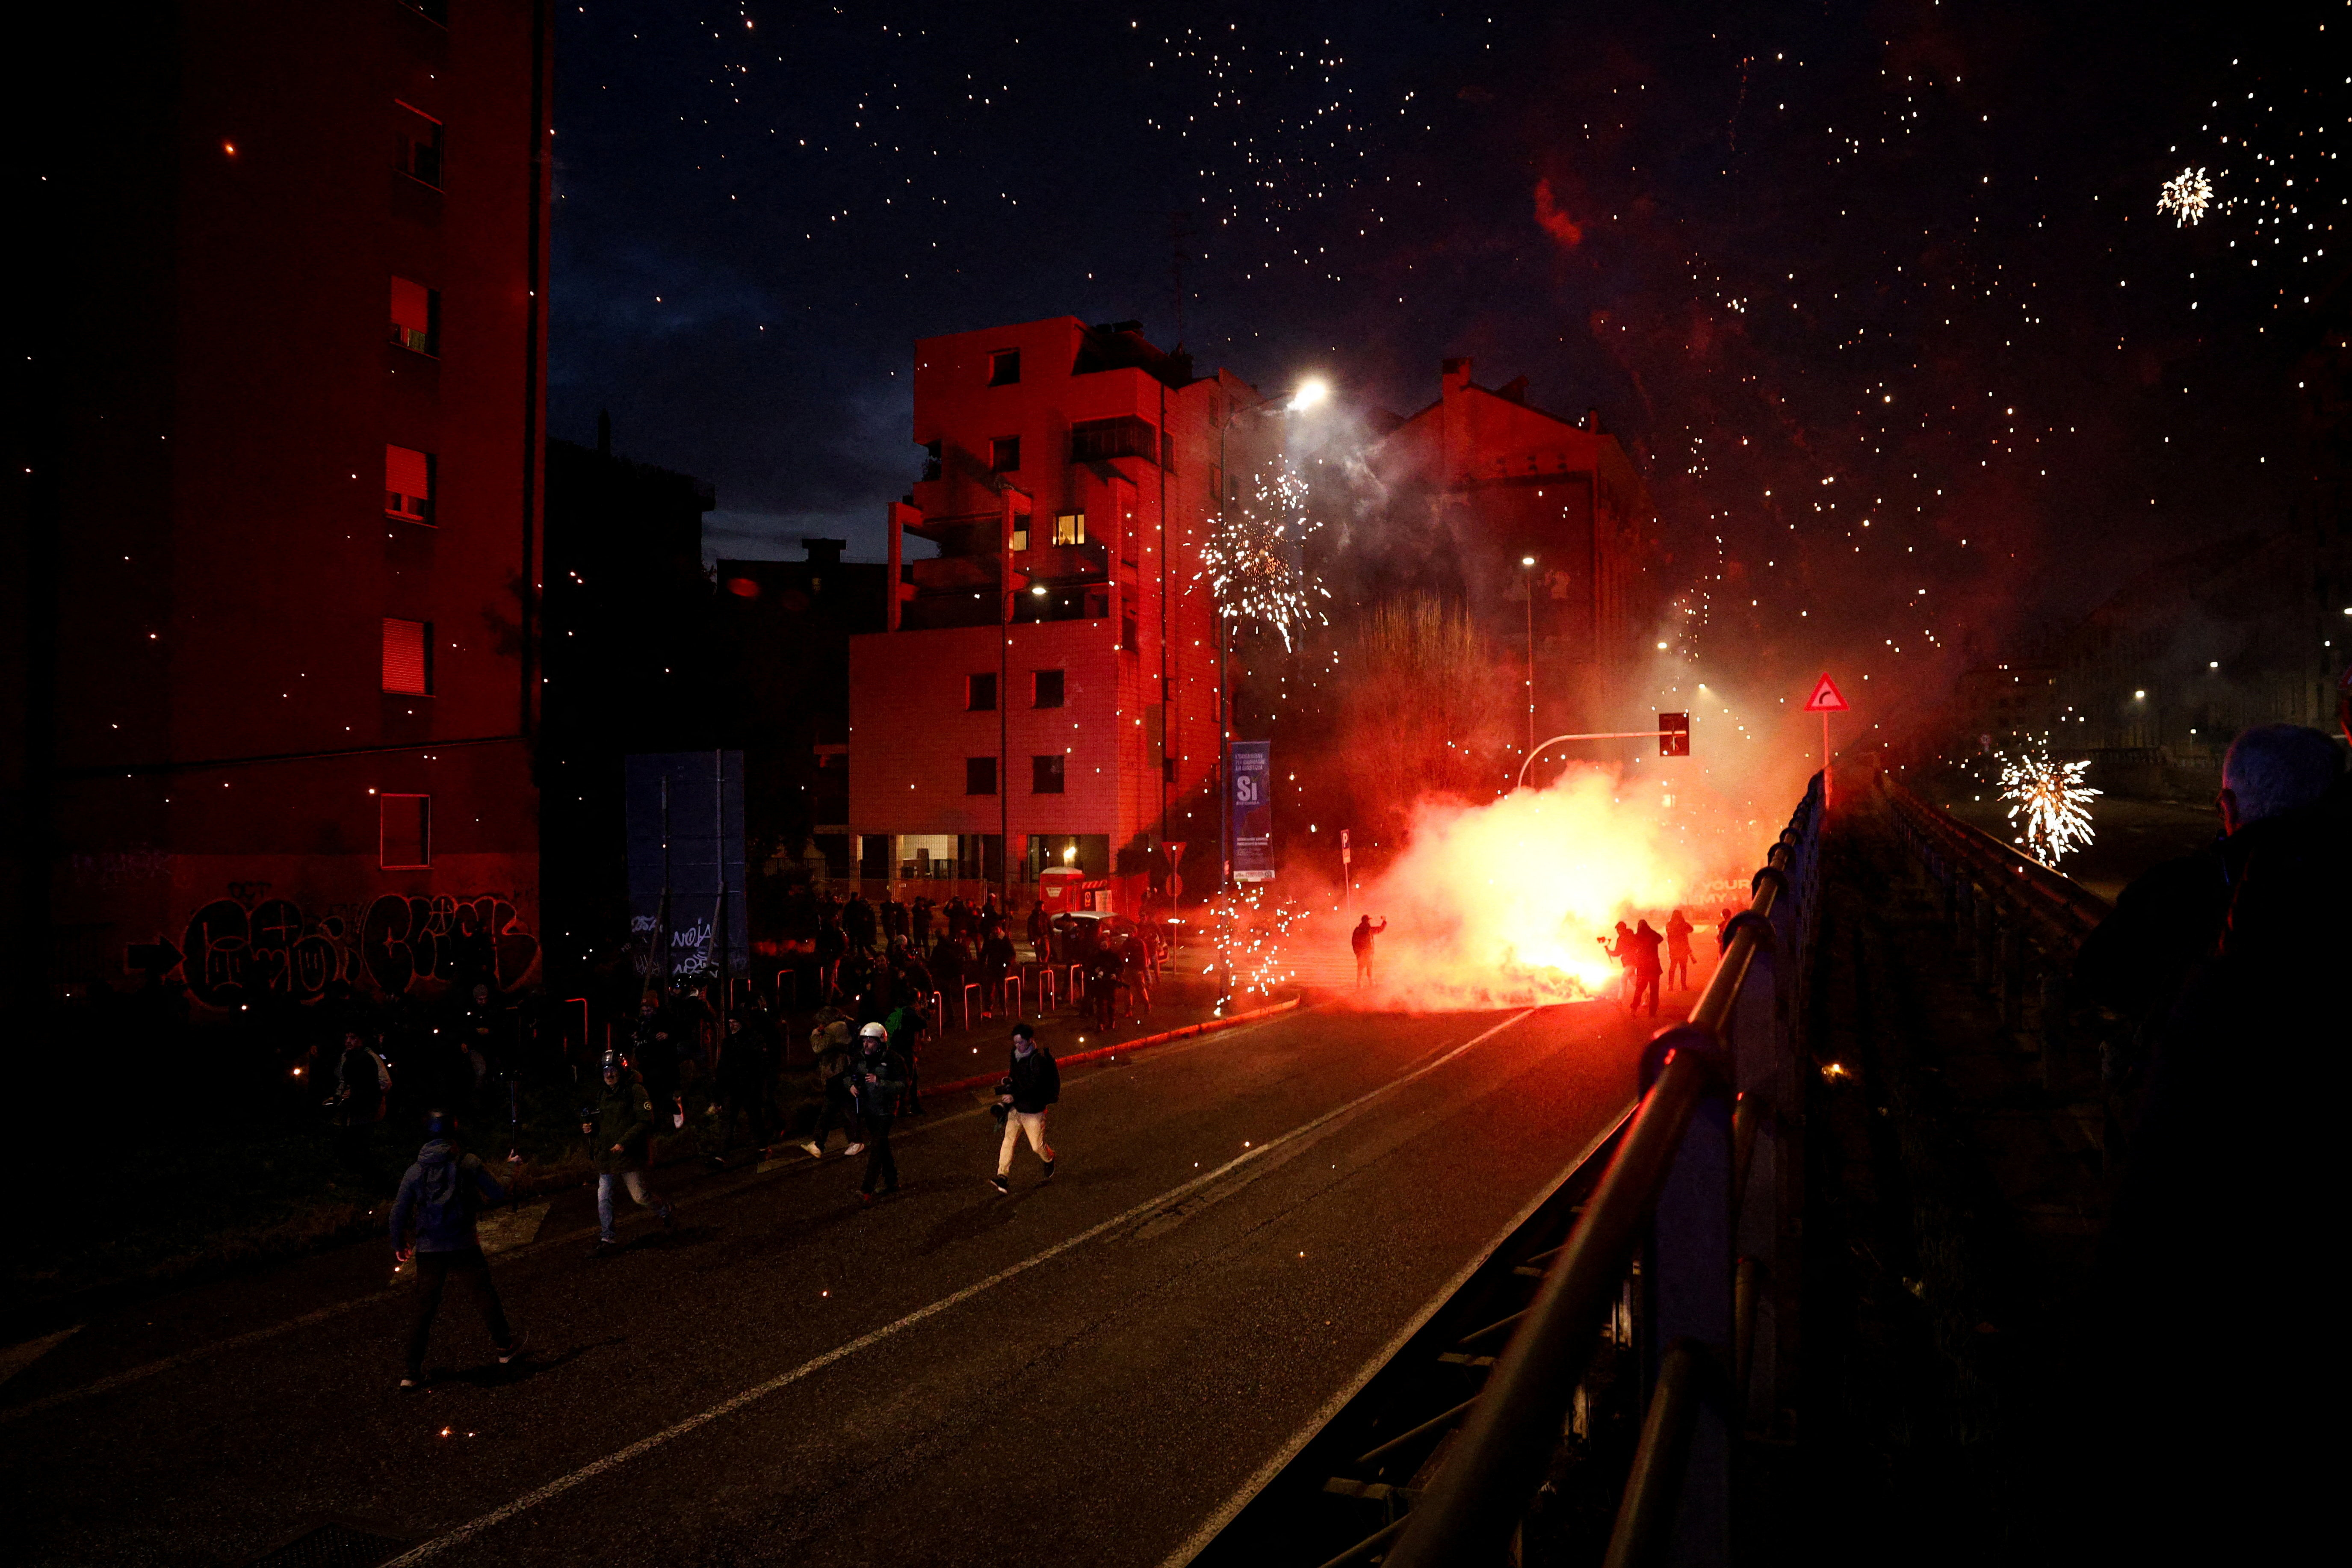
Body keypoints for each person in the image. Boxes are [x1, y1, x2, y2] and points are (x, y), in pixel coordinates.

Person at [390, 1108, 523, 1389]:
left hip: (428, 1248)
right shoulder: (468, 1162)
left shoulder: (415, 1171)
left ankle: (411, 1372)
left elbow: (397, 1213)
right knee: (484, 1295)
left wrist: (399, 1243)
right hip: (463, 1243)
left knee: (424, 1309)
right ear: (453, 1133)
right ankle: (505, 1348)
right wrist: (512, 1167)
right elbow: (499, 1192)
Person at [585, 1048, 674, 1256]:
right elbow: (606, 1125)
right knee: (603, 1196)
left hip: (629, 1155)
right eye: (606, 1070)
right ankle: (608, 1238)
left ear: (622, 1070)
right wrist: (592, 1130)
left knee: (640, 1197)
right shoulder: (603, 1095)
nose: (609, 1075)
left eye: (613, 1070)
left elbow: (646, 1120)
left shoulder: (635, 1090)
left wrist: (624, 1143)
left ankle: (665, 1210)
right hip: (608, 1156)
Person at [990, 1022, 1059, 1193]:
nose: (1018, 1046)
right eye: (1015, 1043)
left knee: (1037, 1146)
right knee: (1008, 1141)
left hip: (1033, 1110)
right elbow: (1016, 1076)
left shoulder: (1038, 1061)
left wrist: (1015, 1095)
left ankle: (1050, 1158)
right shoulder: (1015, 1055)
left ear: (1030, 1041)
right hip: (1016, 1109)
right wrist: (1008, 1081)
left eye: (1021, 1043)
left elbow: (1035, 1085)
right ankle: (1002, 1177)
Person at [851, 1022, 907, 1202]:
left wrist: (880, 1083)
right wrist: (851, 1086)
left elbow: (902, 1085)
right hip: (868, 1109)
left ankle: (867, 1189)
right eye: (864, 1041)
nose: (866, 1045)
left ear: (880, 1042)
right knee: (881, 1145)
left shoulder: (894, 1059)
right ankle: (892, 1180)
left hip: (885, 1110)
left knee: (876, 1147)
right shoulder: (860, 1058)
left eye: (870, 1041)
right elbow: (848, 1075)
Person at [710, 1011, 776, 1160]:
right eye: (730, 1023)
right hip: (733, 1087)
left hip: (749, 1087)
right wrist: (718, 1091)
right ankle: (722, 1155)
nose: (732, 1026)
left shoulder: (753, 1039)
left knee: (755, 1118)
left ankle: (763, 1147)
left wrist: (758, 1083)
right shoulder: (729, 1043)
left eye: (735, 1022)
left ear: (742, 1023)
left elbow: (762, 1063)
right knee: (729, 1119)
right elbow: (723, 1067)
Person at [802, 1024, 865, 1158]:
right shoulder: (843, 1026)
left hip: (836, 1075)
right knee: (838, 1110)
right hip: (838, 1074)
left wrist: (814, 1034)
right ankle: (820, 1144)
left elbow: (818, 1048)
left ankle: (821, 1144)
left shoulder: (834, 1030)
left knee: (838, 1110)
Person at [1625, 919, 1665, 1018]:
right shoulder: (1652, 935)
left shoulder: (1637, 937)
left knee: (1639, 990)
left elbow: (1631, 946)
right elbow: (1661, 939)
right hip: (1654, 968)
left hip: (1643, 968)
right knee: (1654, 992)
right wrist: (1650, 930)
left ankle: (1633, 1010)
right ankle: (1652, 1013)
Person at [1350, 915, 1388, 986]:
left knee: (1360, 967)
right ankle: (1371, 982)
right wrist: (1385, 921)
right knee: (1369, 966)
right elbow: (1380, 929)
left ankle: (1359, 983)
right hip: (1368, 951)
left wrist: (1356, 951)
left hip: (1360, 952)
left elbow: (1354, 941)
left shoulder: (1357, 930)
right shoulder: (1369, 929)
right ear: (1367, 921)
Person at [1665, 909, 1695, 992]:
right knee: (1683, 968)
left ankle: (1670, 986)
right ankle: (1683, 986)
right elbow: (1691, 929)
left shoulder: (1669, 925)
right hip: (1683, 949)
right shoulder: (1684, 925)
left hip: (1673, 950)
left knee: (1672, 968)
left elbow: (1668, 934)